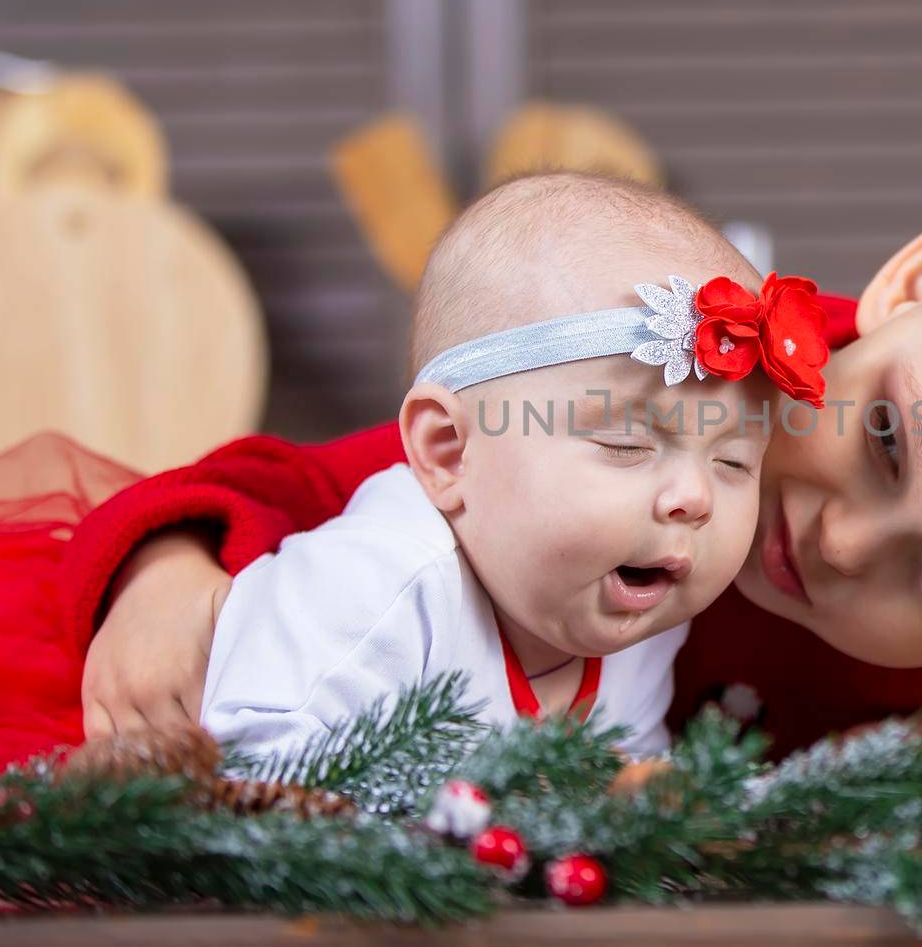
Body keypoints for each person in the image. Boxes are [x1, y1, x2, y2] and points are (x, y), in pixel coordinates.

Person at [0, 194, 922, 767]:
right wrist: (175, 564)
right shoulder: (684, 377)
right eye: (889, 435)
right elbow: (364, 469)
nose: (837, 535)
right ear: (911, 283)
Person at [202, 173, 813, 759]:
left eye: (734, 461)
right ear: (450, 451)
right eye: (628, 444)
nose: (695, 497)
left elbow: (624, 795)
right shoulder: (378, 585)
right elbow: (253, 779)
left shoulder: (641, 627)